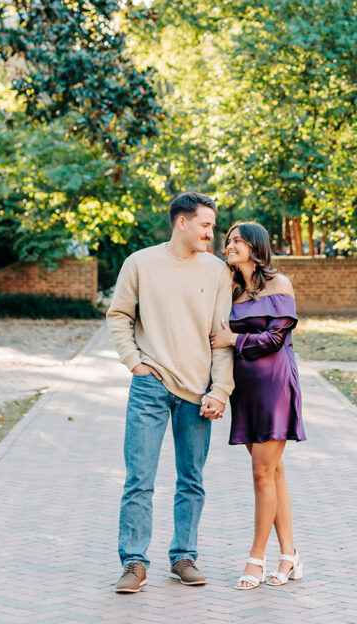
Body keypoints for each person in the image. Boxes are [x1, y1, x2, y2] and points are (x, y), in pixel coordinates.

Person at [106, 192, 234, 594]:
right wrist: (134, 363)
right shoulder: (140, 263)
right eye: (206, 225)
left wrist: (221, 390)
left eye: (212, 226)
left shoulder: (216, 272)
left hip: (198, 392)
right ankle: (133, 564)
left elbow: (221, 338)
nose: (212, 234)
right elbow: (119, 315)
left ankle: (183, 557)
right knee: (139, 478)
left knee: (191, 479)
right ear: (182, 222)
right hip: (151, 384)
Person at [210, 220, 306, 589]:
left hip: (274, 384)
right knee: (274, 472)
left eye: (236, 241)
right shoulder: (229, 289)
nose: (229, 246)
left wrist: (233, 340)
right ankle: (290, 555)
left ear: (255, 246)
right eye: (228, 240)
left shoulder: (279, 285)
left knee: (261, 473)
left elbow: (276, 337)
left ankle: (256, 560)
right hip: (243, 388)